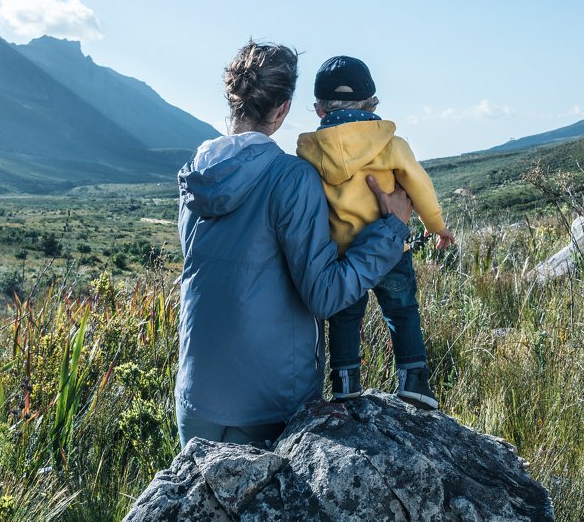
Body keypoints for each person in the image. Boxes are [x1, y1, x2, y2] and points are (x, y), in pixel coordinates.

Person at [175, 41, 414, 448]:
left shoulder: (194, 175)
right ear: (283, 108)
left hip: (195, 398)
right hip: (270, 402)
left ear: (232, 99)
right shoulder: (292, 178)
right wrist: (392, 228)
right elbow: (325, 295)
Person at [296, 55, 454, 410]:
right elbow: (419, 186)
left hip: (341, 254)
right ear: (372, 103)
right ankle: (413, 379)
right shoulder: (391, 144)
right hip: (391, 247)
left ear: (320, 109)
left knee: (345, 316)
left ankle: (345, 380)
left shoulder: (310, 151)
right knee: (402, 311)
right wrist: (436, 226)